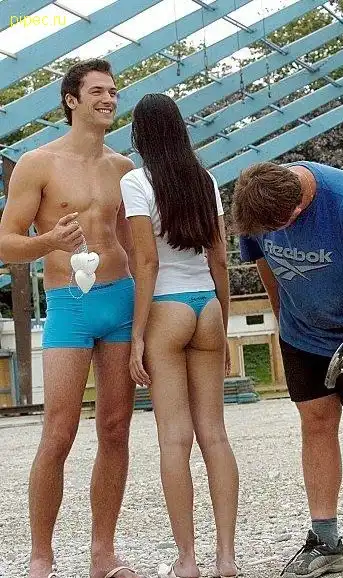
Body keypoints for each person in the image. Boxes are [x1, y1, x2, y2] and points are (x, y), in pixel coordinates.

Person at [231, 161, 343, 578]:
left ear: (297, 209)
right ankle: (325, 540)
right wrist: (283, 316)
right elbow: (262, 260)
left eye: (279, 227)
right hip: (302, 332)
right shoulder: (256, 202)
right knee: (315, 424)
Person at [0, 59, 141, 578]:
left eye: (114, 91)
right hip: (69, 304)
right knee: (58, 432)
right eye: (98, 91)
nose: (109, 99)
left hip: (121, 300)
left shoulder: (124, 168)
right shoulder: (37, 163)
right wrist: (49, 242)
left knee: (116, 429)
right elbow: (5, 243)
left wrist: (146, 316)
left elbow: (137, 246)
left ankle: (103, 553)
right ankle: (41, 555)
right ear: (71, 100)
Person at [120, 93, 239, 578]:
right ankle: (227, 557)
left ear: (139, 134)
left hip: (166, 310)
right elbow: (220, 259)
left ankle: (187, 559)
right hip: (206, 306)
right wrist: (223, 324)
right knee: (215, 435)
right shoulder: (204, 180)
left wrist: (136, 336)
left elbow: (146, 262)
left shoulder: (135, 182)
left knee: (174, 440)